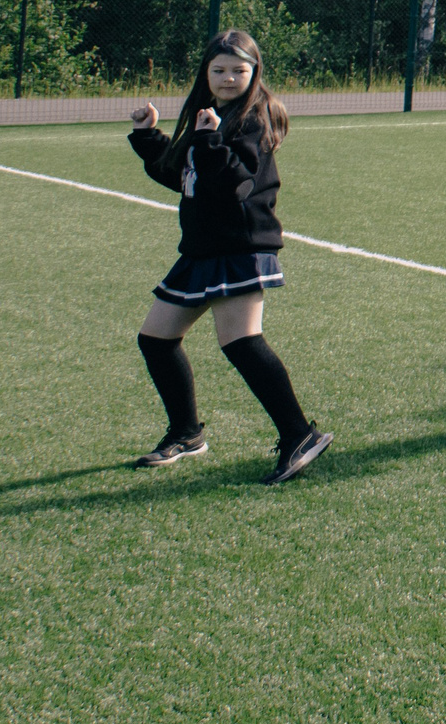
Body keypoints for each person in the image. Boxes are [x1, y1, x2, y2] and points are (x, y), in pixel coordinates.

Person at [125, 30, 332, 483]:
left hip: (241, 246)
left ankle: (300, 434)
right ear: (205, 73)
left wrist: (209, 141)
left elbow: (236, 184)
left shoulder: (255, 118)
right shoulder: (209, 116)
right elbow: (187, 177)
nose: (228, 78)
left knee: (241, 342)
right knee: (156, 339)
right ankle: (187, 433)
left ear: (255, 73)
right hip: (203, 248)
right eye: (219, 70)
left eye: (239, 70)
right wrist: (147, 136)